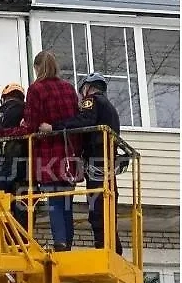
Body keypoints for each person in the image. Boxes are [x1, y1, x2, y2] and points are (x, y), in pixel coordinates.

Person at [0, 51, 82, 251]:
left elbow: (29, 128)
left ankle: (60, 244)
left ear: (38, 68)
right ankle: (67, 244)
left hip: (48, 154)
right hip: (70, 153)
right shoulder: (69, 89)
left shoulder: (37, 89)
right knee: (66, 203)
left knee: (55, 201)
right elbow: (75, 121)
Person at [40, 72, 123, 254]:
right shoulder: (110, 108)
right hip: (107, 163)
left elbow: (84, 121)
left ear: (87, 88)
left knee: (98, 211)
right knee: (107, 207)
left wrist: (54, 127)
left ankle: (105, 250)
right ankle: (114, 250)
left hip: (97, 162)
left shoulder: (92, 100)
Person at [0, 82, 29, 229]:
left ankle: (6, 242)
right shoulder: (25, 110)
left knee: (3, 211)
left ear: (3, 99)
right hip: (24, 173)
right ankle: (23, 243)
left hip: (2, 175)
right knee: (23, 213)